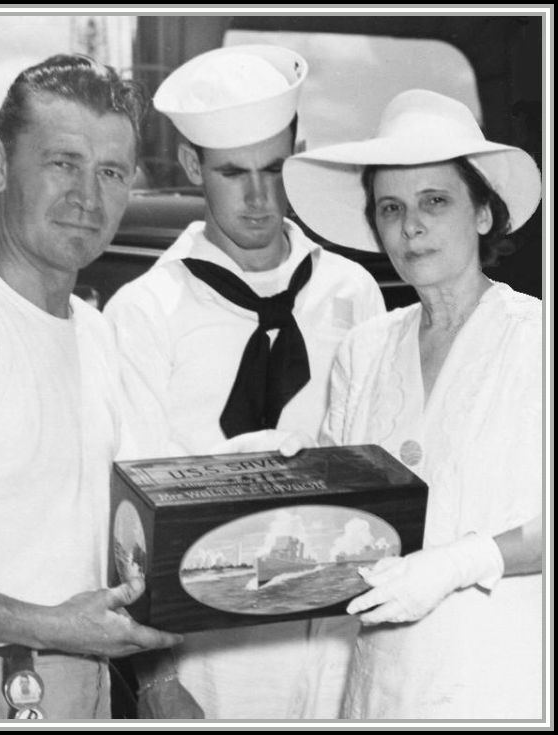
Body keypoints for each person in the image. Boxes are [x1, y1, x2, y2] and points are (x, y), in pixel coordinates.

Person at [104, 45, 386, 720]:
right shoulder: (143, 313)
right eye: (234, 173)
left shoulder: (353, 292)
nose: (259, 198)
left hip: (337, 647)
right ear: (192, 165)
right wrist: (157, 682)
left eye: (274, 169)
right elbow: (124, 524)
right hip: (204, 657)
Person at [282, 88, 543, 719]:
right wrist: (290, 496)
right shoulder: (364, 349)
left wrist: (459, 562)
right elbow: (338, 525)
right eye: (391, 208)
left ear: (483, 214)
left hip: (503, 685)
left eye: (435, 201)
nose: (411, 226)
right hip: (380, 688)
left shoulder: (536, 339)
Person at [0, 54, 182, 721]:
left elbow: (133, 544)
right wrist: (55, 625)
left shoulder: (100, 334)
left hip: (86, 686)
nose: (88, 196)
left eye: (110, 172)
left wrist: (160, 681)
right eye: (63, 162)